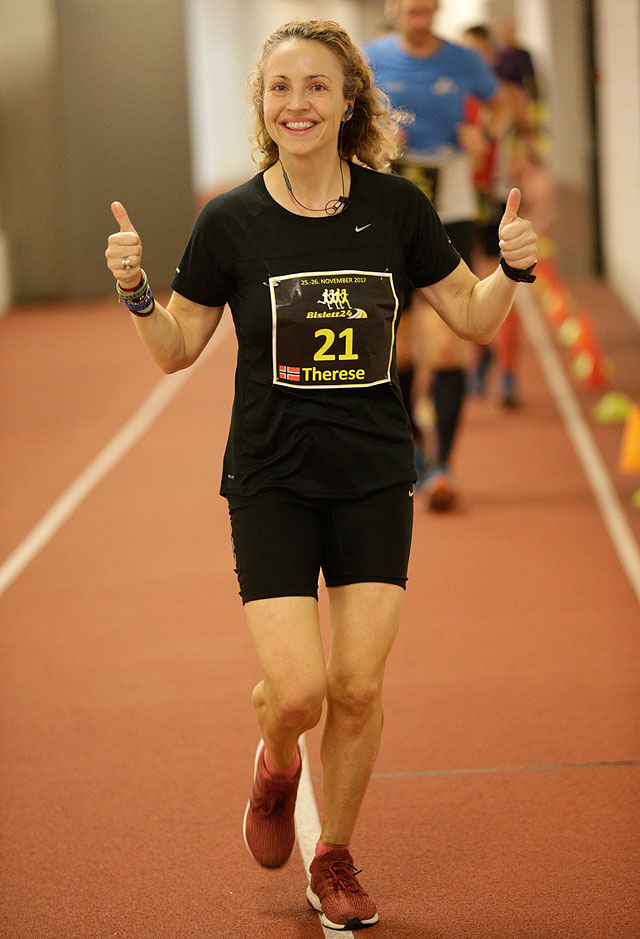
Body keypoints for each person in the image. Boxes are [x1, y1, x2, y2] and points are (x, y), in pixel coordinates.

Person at [105, 18, 536, 931]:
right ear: (263, 105)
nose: (296, 102)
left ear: (348, 103)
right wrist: (137, 291)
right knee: (297, 691)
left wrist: (512, 270)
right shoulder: (230, 220)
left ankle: (333, 854)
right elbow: (175, 349)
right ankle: (275, 760)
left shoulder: (397, 207)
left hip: (374, 472)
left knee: (359, 686)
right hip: (271, 477)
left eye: (315, 86)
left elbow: (471, 316)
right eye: (280, 87)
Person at [364, 0, 511, 509]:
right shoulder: (369, 57)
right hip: (390, 208)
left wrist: (485, 133)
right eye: (410, 9)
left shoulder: (463, 60)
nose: (419, 17)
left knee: (446, 346)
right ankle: (414, 445)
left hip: (449, 207)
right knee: (398, 349)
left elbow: (503, 104)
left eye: (427, 9)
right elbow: (343, 117)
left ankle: (443, 465)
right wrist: (375, 138)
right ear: (394, 9)